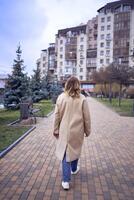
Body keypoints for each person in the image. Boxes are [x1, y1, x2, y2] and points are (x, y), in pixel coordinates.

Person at [53, 76, 91, 190]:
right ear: (77, 85)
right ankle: (72, 171)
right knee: (74, 149)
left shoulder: (61, 97)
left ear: (67, 85)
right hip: (77, 131)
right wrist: (87, 130)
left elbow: (57, 115)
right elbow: (87, 117)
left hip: (64, 130)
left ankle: (66, 180)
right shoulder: (82, 98)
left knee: (66, 152)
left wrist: (55, 129)